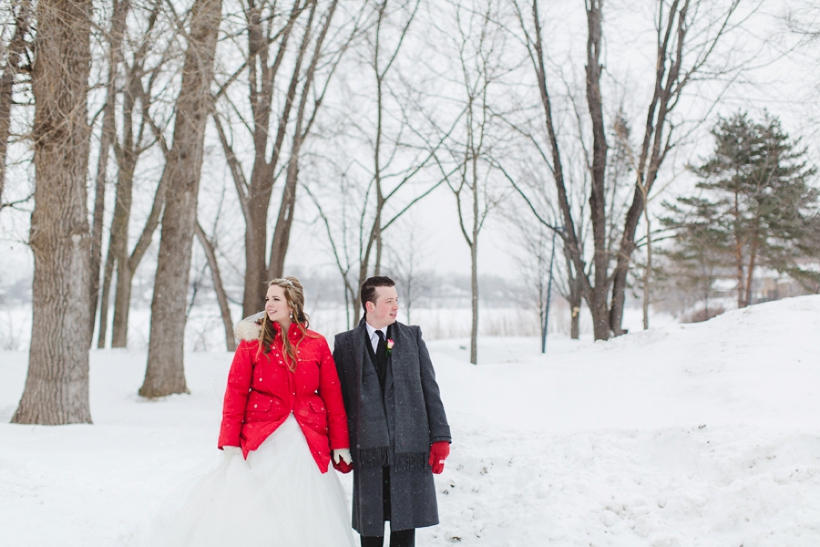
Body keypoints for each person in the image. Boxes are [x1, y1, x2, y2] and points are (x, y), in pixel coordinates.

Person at [147, 277, 356, 547]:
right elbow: (235, 392)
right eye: (267, 299)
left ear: (292, 305)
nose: (268, 304)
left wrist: (340, 443)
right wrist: (230, 441)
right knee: (261, 507)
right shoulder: (252, 341)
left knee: (305, 507)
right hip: (263, 438)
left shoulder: (316, 343)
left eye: (276, 299)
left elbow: (332, 395)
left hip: (308, 440)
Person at [333, 276, 452, 547]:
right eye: (389, 301)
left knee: (404, 528)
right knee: (371, 530)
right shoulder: (346, 345)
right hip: (368, 447)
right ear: (369, 306)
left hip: (408, 445)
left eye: (396, 300)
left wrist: (440, 437)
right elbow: (338, 401)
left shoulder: (412, 337)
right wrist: (338, 445)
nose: (396, 306)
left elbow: (430, 388)